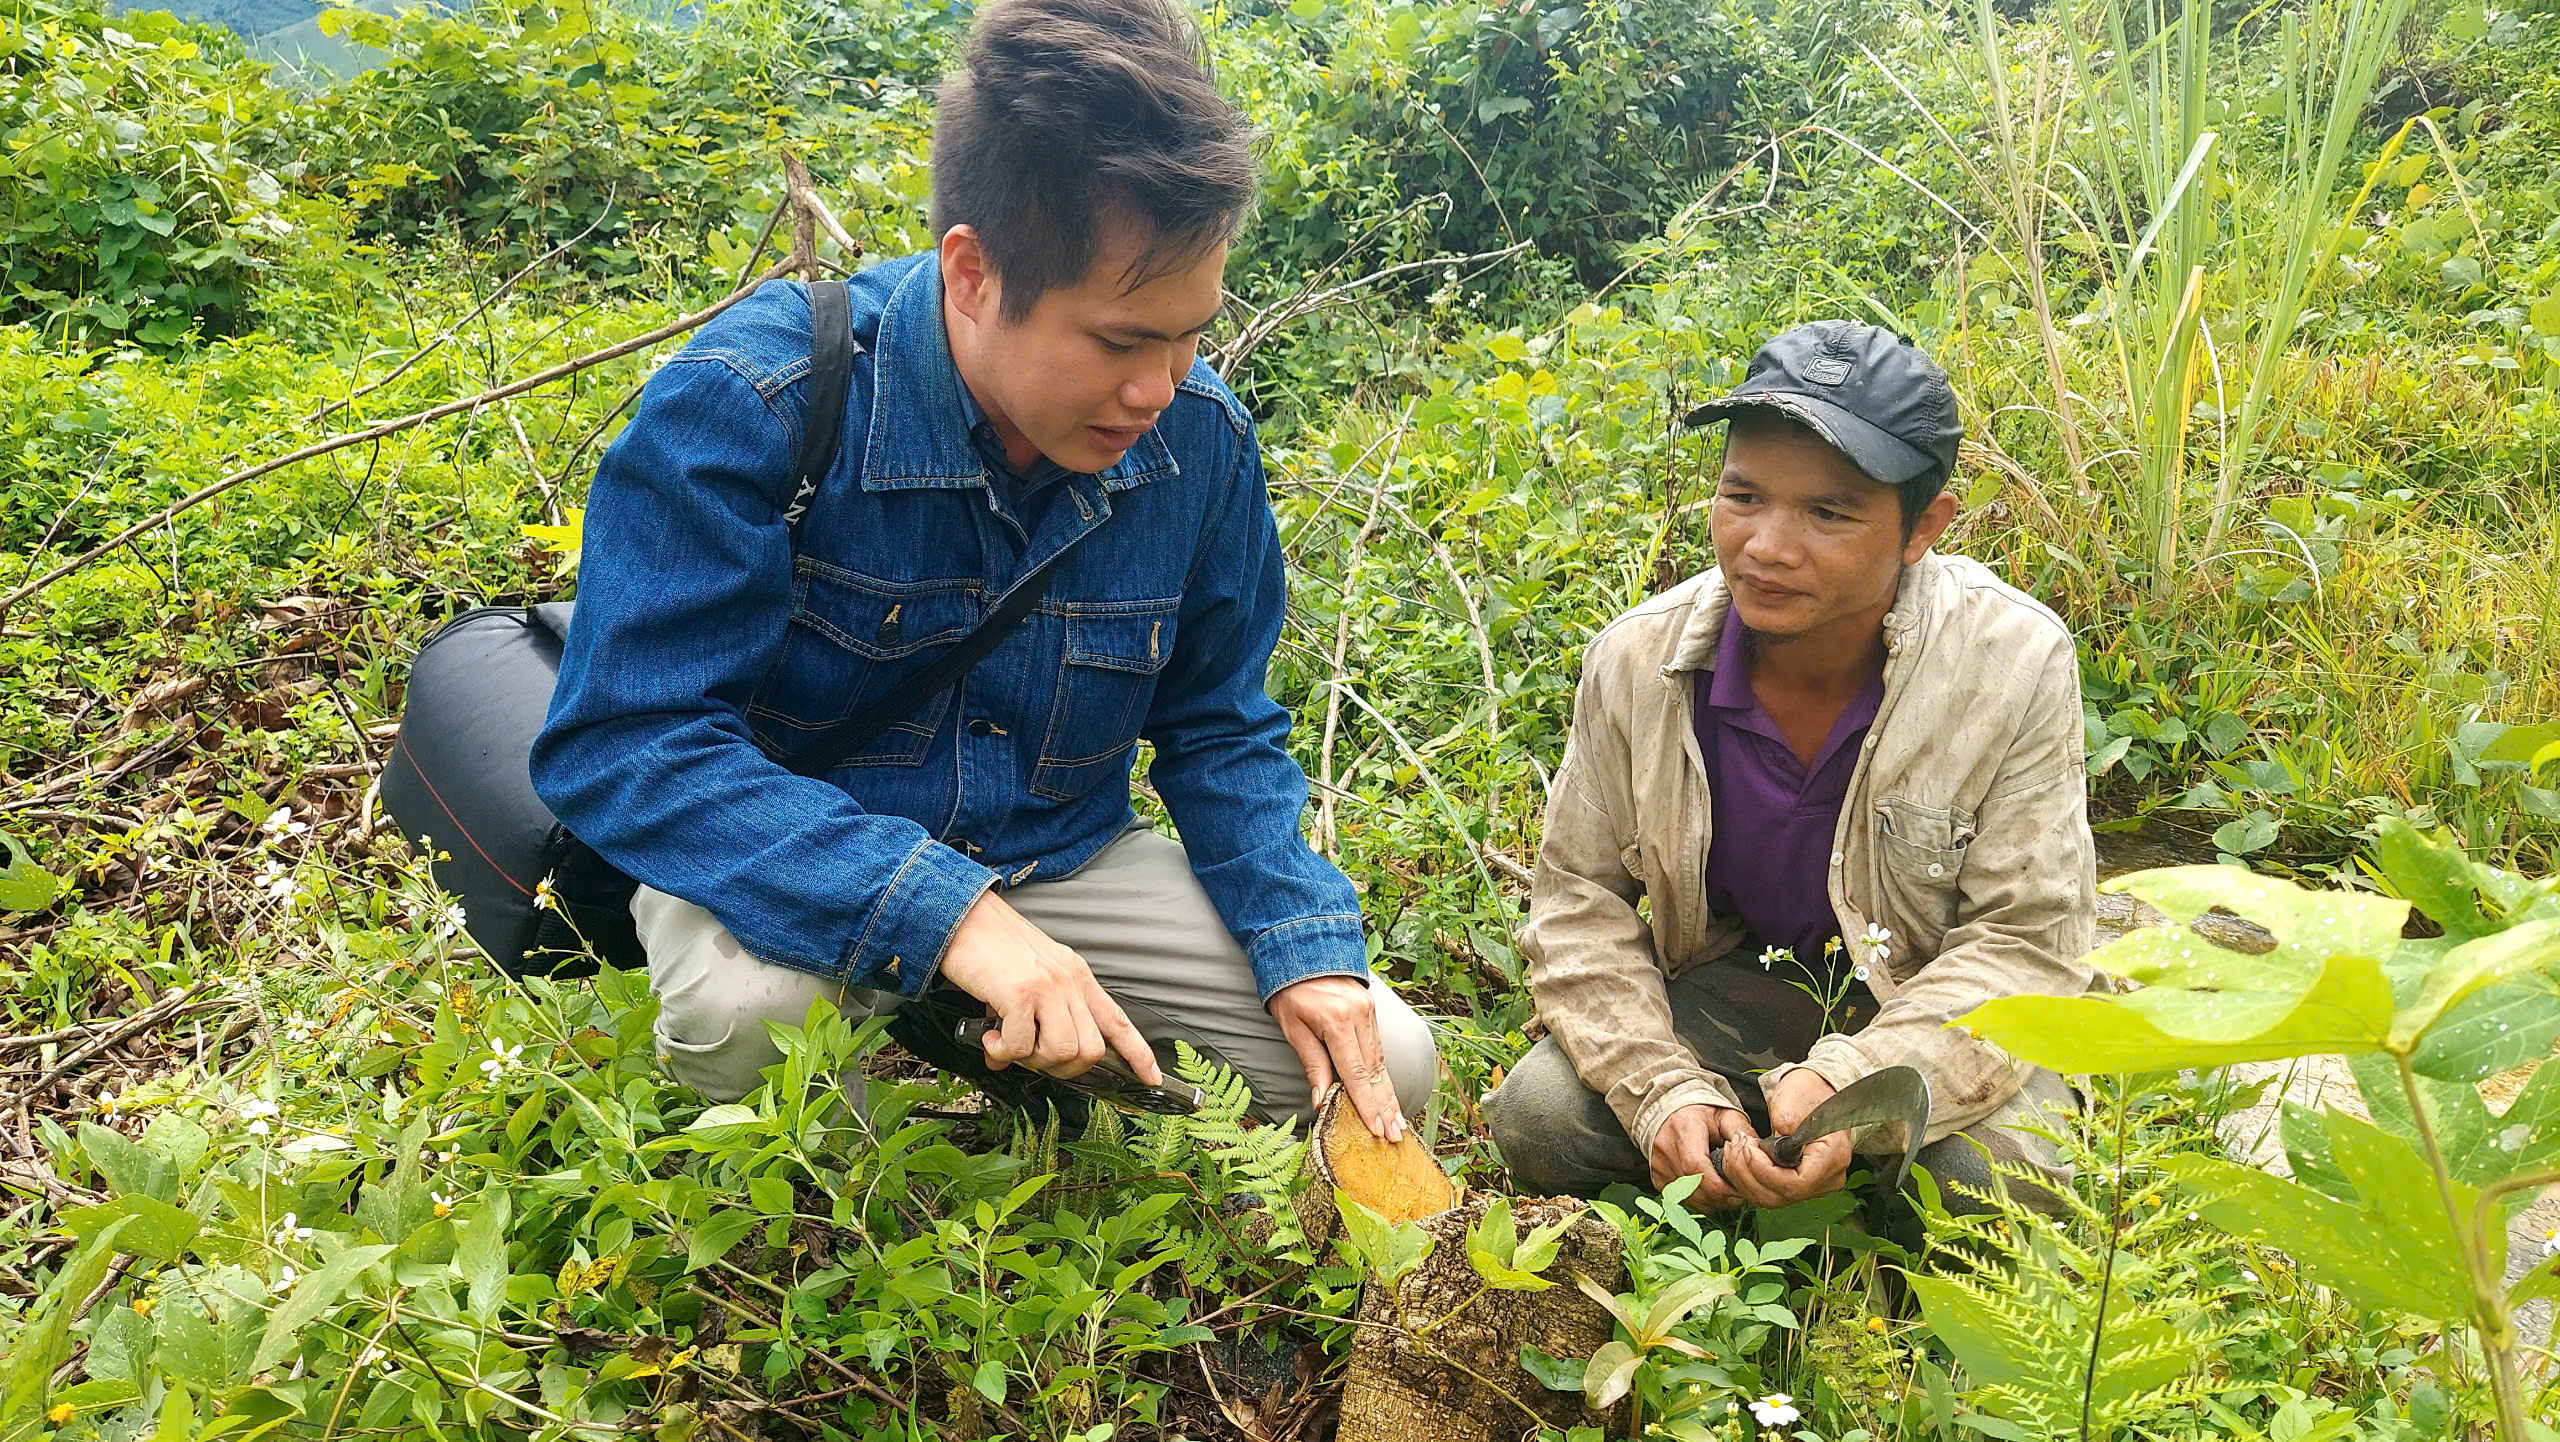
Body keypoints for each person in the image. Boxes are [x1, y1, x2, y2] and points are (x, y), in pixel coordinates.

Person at [530, 0, 1434, 1140]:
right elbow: (627, 742)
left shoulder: (1198, 440)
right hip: (789, 855)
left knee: (1387, 1063)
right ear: (971, 272)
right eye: (1117, 340)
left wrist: (1301, 941)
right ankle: (862, 1228)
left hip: (1050, 851)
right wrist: (949, 916)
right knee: (760, 1017)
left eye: (1188, 332)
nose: (1159, 388)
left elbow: (1218, 722)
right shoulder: (758, 403)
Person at [1484, 321, 2098, 1212]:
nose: (1767, 546)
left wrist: (1858, 1087)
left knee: (1997, 1186)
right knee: (1542, 1116)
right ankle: (1736, 1174)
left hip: (1932, 1000)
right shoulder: (1639, 663)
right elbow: (1579, 903)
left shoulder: (2012, 662)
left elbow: (2025, 943)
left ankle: (1825, 1198)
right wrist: (1663, 1089)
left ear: (1923, 526)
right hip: (1744, 985)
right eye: (1743, 495)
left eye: (1829, 512)